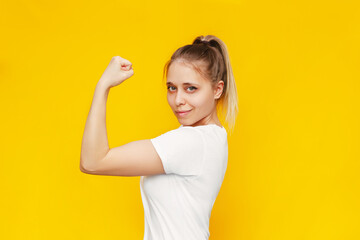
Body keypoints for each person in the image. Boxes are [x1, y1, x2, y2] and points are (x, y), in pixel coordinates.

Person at [80, 34, 238, 240]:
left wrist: (103, 86)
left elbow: (93, 162)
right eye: (172, 88)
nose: (178, 100)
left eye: (191, 88)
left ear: (217, 89)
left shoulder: (191, 142)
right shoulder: (215, 137)